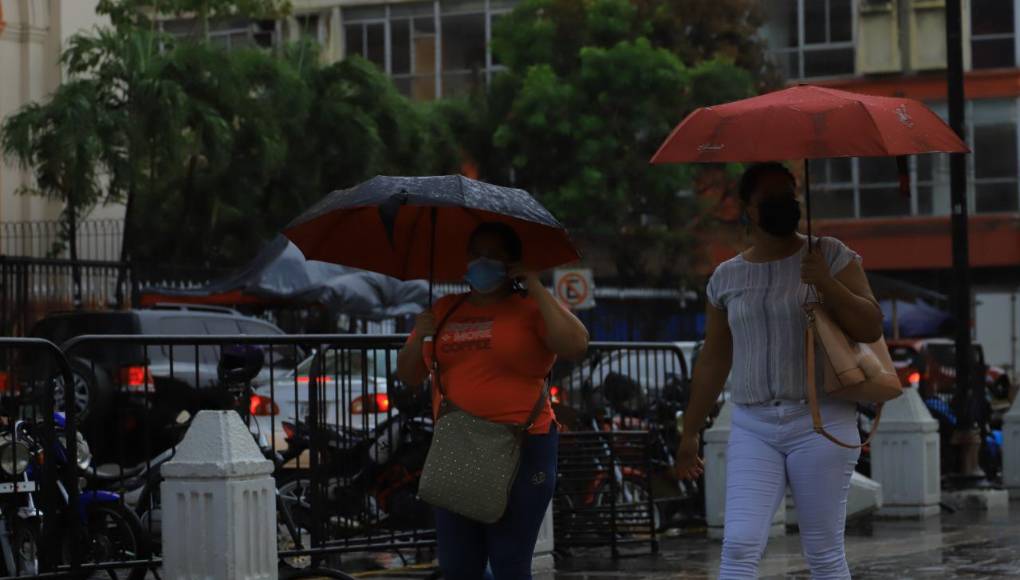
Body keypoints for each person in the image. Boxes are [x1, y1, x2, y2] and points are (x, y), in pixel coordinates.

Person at [675, 162, 883, 579]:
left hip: (821, 421)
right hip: (753, 423)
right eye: (770, 198)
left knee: (823, 552)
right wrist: (691, 431)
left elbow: (870, 326)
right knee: (738, 546)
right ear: (747, 209)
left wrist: (827, 282)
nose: (783, 205)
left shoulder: (831, 256)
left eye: (789, 196)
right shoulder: (726, 277)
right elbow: (715, 359)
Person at [396, 221, 590, 580]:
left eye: (493, 255)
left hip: (523, 445)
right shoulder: (444, 310)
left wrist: (535, 286)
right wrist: (417, 337)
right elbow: (408, 375)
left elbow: (577, 344)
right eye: (475, 254)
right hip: (459, 446)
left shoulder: (530, 308)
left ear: (511, 263)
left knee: (509, 562)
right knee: (458, 567)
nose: (481, 262)